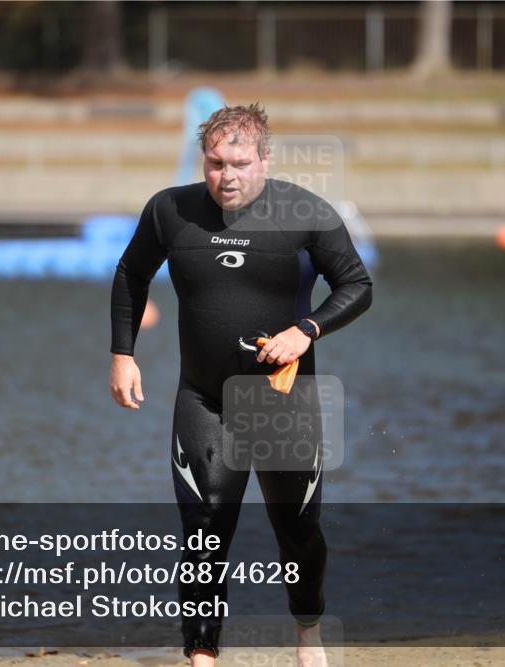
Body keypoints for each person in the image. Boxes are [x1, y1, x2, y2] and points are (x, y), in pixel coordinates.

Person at [109, 104, 372, 666]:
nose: (227, 176)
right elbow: (132, 272)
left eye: (240, 163)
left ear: (264, 160)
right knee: (204, 530)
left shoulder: (305, 212)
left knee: (298, 531)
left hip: (284, 401)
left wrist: (308, 329)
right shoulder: (170, 211)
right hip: (204, 398)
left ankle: (307, 634)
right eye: (215, 163)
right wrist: (123, 355)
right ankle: (202, 656)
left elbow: (357, 283)